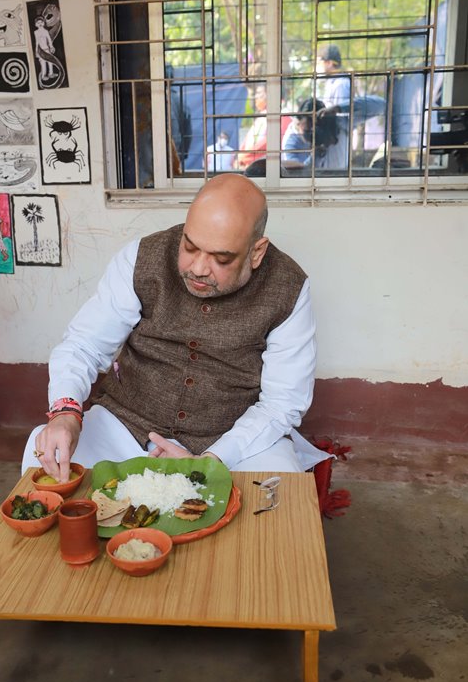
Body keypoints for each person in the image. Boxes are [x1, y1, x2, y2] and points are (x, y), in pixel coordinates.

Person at [22, 174, 331, 482]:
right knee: (48, 458)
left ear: (256, 252)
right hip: (125, 429)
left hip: (230, 440)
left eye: (221, 259)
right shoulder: (142, 257)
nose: (198, 268)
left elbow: (282, 403)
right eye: (190, 246)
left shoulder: (288, 287)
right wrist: (65, 413)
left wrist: (211, 461)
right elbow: (84, 344)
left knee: (281, 486)